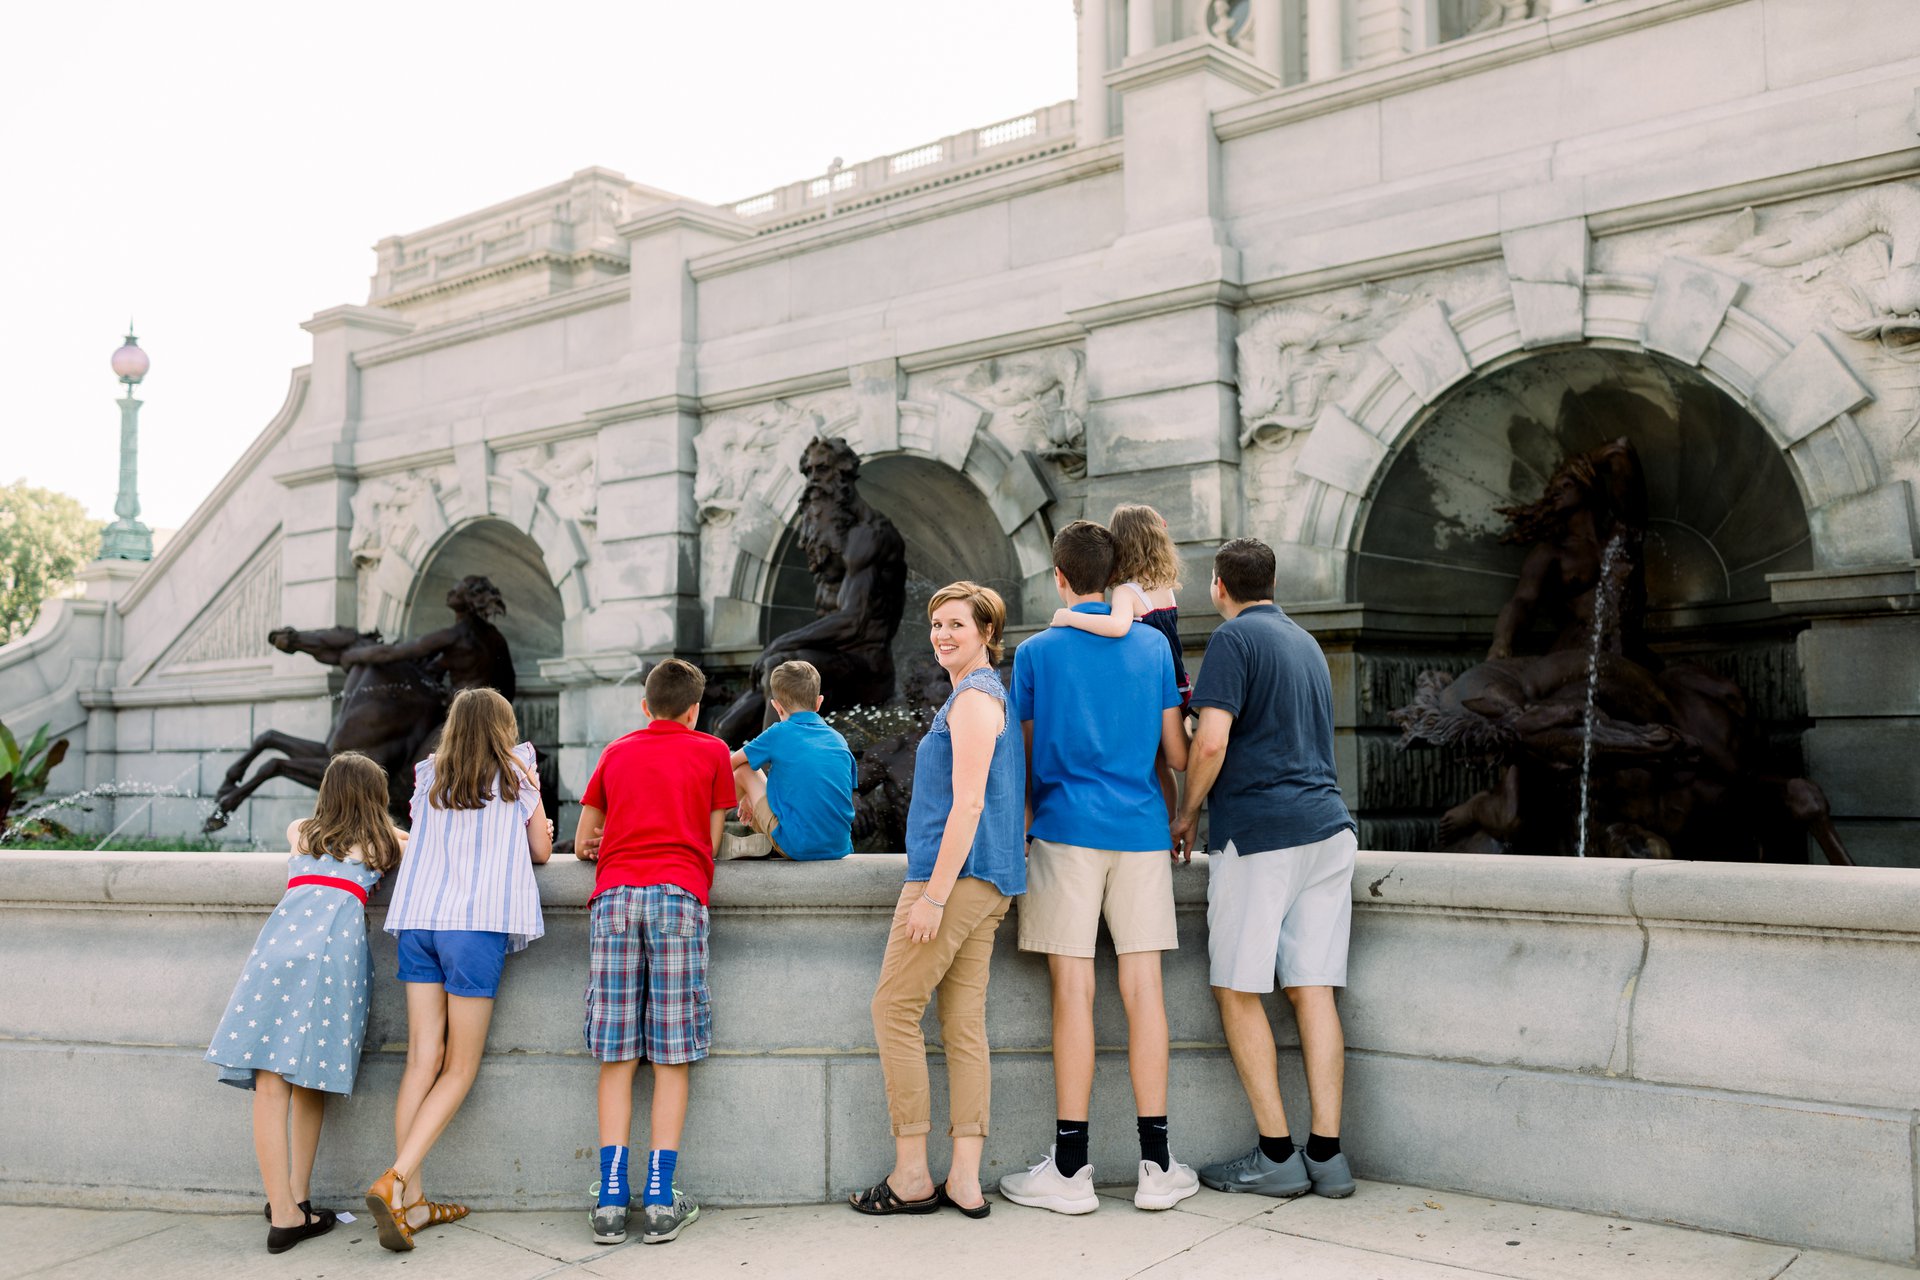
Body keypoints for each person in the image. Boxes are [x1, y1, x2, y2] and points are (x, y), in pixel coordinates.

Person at [1000, 521, 1195, 1215]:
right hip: (1141, 832)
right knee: (1145, 992)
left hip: (1063, 832)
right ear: (1114, 576)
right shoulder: (1149, 647)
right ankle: (1157, 1166)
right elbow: (1175, 754)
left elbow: (1021, 755)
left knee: (1072, 995)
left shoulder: (1036, 653)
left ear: (1058, 577)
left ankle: (1072, 1170)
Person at [1171, 538, 1359, 1201]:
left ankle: (1278, 1155)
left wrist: (1187, 810)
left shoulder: (1232, 642)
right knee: (1313, 988)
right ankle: (1328, 1156)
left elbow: (1213, 739)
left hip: (1261, 833)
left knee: (1237, 987)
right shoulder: (1304, 644)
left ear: (1219, 586)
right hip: (1329, 831)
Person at [850, 582, 1025, 1220]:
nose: (942, 635)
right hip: (988, 881)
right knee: (962, 1026)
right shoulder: (979, 695)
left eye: (956, 624)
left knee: (893, 1009)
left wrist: (933, 895)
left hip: (952, 882)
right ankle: (966, 1182)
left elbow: (970, 804)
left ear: (986, 631)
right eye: (936, 625)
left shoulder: (975, 700)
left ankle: (913, 1174)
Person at [366, 688, 552, 1251]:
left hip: (419, 921)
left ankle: (413, 1207)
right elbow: (542, 850)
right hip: (473, 927)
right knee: (460, 1068)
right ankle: (395, 1179)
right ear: (504, 728)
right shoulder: (518, 773)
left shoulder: (429, 776)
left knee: (422, 1060)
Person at [206, 752, 404, 1254]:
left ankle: (287, 1204)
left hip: (276, 954)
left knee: (270, 1087)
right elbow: (419, 845)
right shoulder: (383, 844)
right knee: (310, 1079)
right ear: (374, 800)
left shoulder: (300, 831)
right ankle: (290, 1207)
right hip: (330, 964)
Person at [573, 658, 735, 1246]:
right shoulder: (713, 752)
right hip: (679, 899)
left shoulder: (617, 752)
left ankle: (611, 1200)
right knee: (671, 1054)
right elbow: (712, 839)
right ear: (696, 711)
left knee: (616, 1054)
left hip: (615, 898)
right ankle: (662, 1199)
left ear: (645, 706)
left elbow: (587, 833)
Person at [1050, 503, 1192, 818]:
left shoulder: (1127, 593)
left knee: (1156, 763)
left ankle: (1168, 820)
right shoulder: (1166, 588)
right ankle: (1175, 821)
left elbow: (1116, 627)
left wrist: (1070, 618)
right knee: (1171, 762)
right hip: (1179, 683)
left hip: (1153, 689)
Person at [728, 659, 857, 861]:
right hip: (839, 846)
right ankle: (766, 839)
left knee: (745, 770)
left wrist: (745, 795)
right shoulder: (838, 739)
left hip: (798, 846)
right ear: (819, 702)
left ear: (776, 707)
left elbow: (730, 764)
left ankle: (704, 836)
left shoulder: (779, 733)